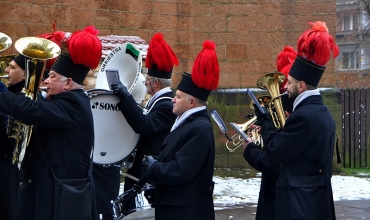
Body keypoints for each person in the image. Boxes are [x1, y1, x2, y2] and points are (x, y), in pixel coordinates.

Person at [0, 25, 102, 220]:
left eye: (52, 77)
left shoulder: (74, 104)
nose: (46, 81)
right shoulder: (60, 100)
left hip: (60, 197)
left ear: (69, 83)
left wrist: (2, 92)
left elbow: (33, 111)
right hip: (43, 190)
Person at [250, 21, 339, 220]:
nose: (286, 86)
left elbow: (275, 151)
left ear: (301, 86)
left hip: (300, 205)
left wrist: (266, 122)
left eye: (289, 83)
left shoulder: (304, 117)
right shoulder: (321, 112)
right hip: (313, 202)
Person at [141, 40, 220, 220]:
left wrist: (154, 168)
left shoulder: (199, 128)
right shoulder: (189, 123)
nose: (172, 100)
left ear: (191, 102)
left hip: (186, 212)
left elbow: (179, 170)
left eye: (178, 97)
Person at [105, 33, 178, 217]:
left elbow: (144, 125)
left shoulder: (166, 103)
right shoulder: (159, 101)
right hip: (139, 171)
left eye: (148, 78)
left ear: (155, 83)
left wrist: (126, 97)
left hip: (149, 175)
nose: (145, 81)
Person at [242, 46, 296, 220]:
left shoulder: (294, 121)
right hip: (272, 190)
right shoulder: (283, 117)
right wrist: (261, 132)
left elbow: (271, 162)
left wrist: (250, 149)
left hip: (279, 195)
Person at [0, 54, 34, 220]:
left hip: (11, 172)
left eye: (12, 67)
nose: (6, 70)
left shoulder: (24, 100)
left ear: (25, 75)